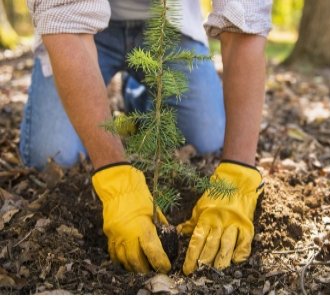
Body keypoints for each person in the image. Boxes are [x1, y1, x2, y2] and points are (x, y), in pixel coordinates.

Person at [23, 0, 272, 275]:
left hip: (168, 21)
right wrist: (114, 176)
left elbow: (245, 22)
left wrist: (239, 172)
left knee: (206, 136)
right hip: (80, 28)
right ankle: (113, 104)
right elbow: (64, 19)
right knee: (52, 152)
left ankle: (142, 102)